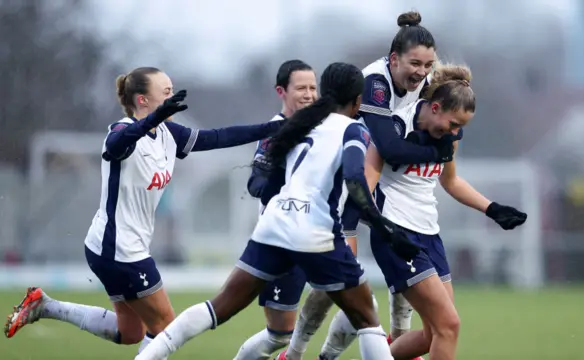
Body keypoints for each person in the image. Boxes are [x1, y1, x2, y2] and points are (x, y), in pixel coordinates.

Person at [134, 62, 420, 360]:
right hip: (315, 234)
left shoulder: (301, 123)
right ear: (358, 101)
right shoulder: (354, 129)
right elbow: (354, 177)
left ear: (323, 91)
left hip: (272, 228)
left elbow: (267, 178)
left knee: (219, 308)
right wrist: (385, 228)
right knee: (367, 319)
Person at [3, 67, 284, 357]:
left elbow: (216, 137)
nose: (172, 98)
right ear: (142, 100)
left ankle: (45, 305)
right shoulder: (122, 131)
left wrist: (271, 129)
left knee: (131, 332)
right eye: (166, 93)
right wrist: (155, 118)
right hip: (119, 250)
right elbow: (116, 145)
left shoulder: (166, 134)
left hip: (116, 248)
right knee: (165, 327)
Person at [277, 10, 451, 360]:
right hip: (344, 188)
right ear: (394, 59)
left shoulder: (423, 82)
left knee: (406, 274)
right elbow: (388, 146)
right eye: (414, 63)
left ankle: (389, 347)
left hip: (380, 189)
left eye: (428, 64)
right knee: (337, 283)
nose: (421, 72)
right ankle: (293, 354)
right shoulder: (374, 83)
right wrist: (438, 149)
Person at [326, 62, 527, 360]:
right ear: (435, 108)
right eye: (454, 124)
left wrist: (492, 209)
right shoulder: (394, 130)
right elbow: (363, 188)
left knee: (433, 333)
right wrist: (384, 229)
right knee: (449, 324)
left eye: (461, 128)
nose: (456, 133)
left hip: (429, 235)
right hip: (397, 235)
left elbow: (451, 181)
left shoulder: (448, 140)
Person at [235, 59, 318, 360]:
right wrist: (279, 187)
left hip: (317, 239)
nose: (309, 94)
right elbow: (256, 184)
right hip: (282, 242)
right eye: (301, 88)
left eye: (313, 87)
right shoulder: (274, 132)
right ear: (281, 91)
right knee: (280, 333)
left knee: (361, 308)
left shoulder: (324, 128)